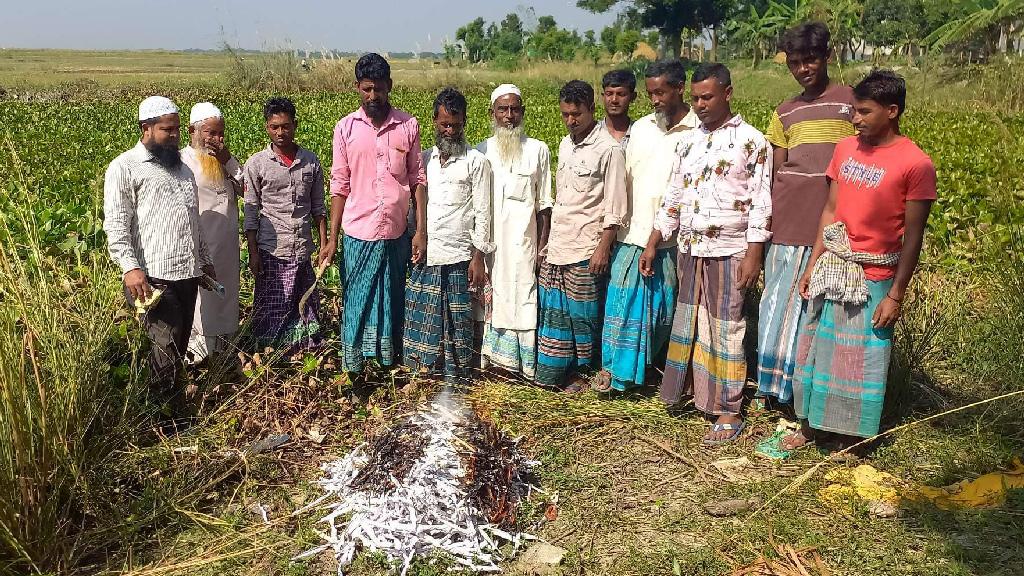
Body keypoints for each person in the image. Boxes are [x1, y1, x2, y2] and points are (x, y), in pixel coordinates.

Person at [782, 70, 936, 450]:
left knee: (856, 361)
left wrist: (895, 295)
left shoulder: (916, 164)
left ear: (893, 110)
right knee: (817, 349)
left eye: (865, 112)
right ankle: (811, 426)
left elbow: (912, 237)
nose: (856, 119)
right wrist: (813, 262)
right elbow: (831, 209)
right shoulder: (846, 149)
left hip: (874, 275)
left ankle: (849, 436)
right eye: (854, 110)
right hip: (834, 266)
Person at [641, 64, 772, 445]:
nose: (699, 105)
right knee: (694, 324)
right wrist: (653, 240)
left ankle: (729, 409)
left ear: (728, 94)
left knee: (727, 327)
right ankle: (699, 394)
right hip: (690, 248)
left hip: (730, 250)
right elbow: (675, 196)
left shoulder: (752, 141)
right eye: (696, 98)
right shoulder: (689, 142)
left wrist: (754, 253)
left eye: (707, 97)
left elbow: (762, 202)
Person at [757, 22, 856, 410]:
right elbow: (776, 172)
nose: (803, 69)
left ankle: (814, 393)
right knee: (780, 304)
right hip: (788, 222)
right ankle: (777, 389)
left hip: (834, 228)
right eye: (795, 63)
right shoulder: (784, 113)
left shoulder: (852, 103)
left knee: (821, 309)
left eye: (810, 59)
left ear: (827, 56)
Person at [103, 96, 216, 417]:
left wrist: (204, 260)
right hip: (151, 279)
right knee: (163, 351)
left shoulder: (183, 171)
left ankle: (171, 414)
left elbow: (194, 220)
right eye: (168, 130)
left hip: (187, 274)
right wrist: (130, 268)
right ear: (146, 129)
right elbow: (115, 223)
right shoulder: (124, 167)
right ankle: (157, 424)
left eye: (178, 129)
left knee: (177, 349)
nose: (176, 136)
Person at [597, 60, 700, 393]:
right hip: (632, 235)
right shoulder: (640, 129)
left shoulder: (699, 130)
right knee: (621, 308)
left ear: (679, 89)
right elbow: (621, 183)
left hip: (672, 242)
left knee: (661, 312)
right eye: (651, 93)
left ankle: (650, 371)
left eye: (661, 92)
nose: (655, 100)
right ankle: (614, 374)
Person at [321, 53, 427, 378]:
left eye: (378, 89)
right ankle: (354, 369)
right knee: (358, 299)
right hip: (358, 232)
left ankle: (385, 363)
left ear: (389, 87)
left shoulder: (408, 125)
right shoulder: (346, 129)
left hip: (396, 232)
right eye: (367, 89)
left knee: (392, 297)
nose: (373, 96)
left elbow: (417, 179)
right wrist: (332, 238)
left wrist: (420, 230)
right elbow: (339, 184)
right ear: (357, 88)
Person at [537, 80, 627, 392]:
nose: (571, 120)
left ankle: (585, 373)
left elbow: (615, 206)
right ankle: (558, 372)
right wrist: (546, 244)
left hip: (586, 246)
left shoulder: (609, 150)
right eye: (565, 114)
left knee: (584, 317)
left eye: (576, 114)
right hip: (559, 245)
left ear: (591, 109)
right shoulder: (565, 144)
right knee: (556, 315)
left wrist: (604, 246)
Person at [403, 88, 493, 382]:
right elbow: (418, 204)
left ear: (465, 121)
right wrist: (419, 235)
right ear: (434, 122)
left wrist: (478, 257)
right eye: (444, 124)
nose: (450, 130)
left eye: (455, 124)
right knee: (424, 320)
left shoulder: (476, 162)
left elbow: (483, 211)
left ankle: (457, 378)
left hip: (459, 254)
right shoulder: (424, 161)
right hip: (429, 253)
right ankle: (422, 375)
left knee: (458, 323)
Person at [475, 84, 554, 380]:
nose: (509, 116)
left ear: (522, 112)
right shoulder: (481, 151)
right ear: (492, 113)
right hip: (491, 245)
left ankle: (523, 367)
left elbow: (544, 205)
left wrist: (542, 249)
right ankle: (493, 363)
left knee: (523, 298)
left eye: (515, 109)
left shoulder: (538, 150)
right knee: (491, 299)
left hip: (524, 244)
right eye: (503, 109)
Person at [242, 97, 326, 353]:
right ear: (267, 127)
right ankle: (270, 355)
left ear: (295, 125)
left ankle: (302, 351)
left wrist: (324, 245)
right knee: (272, 307)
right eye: (274, 127)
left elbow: (318, 208)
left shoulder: (310, 162)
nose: (280, 132)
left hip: (301, 248)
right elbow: (250, 212)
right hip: (271, 249)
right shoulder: (256, 164)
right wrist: (253, 253)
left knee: (303, 304)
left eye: (286, 126)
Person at [180, 102, 243, 365]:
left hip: (227, 244)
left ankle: (225, 352)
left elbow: (247, 189)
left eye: (220, 133)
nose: (216, 140)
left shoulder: (224, 159)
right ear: (192, 131)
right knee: (200, 301)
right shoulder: (182, 161)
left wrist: (227, 159)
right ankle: (198, 356)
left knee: (226, 295)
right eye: (210, 133)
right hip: (199, 246)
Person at [598, 69, 637, 146]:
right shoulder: (592, 134)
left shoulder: (640, 133)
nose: (614, 100)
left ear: (633, 97)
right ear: (603, 96)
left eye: (621, 94)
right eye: (609, 94)